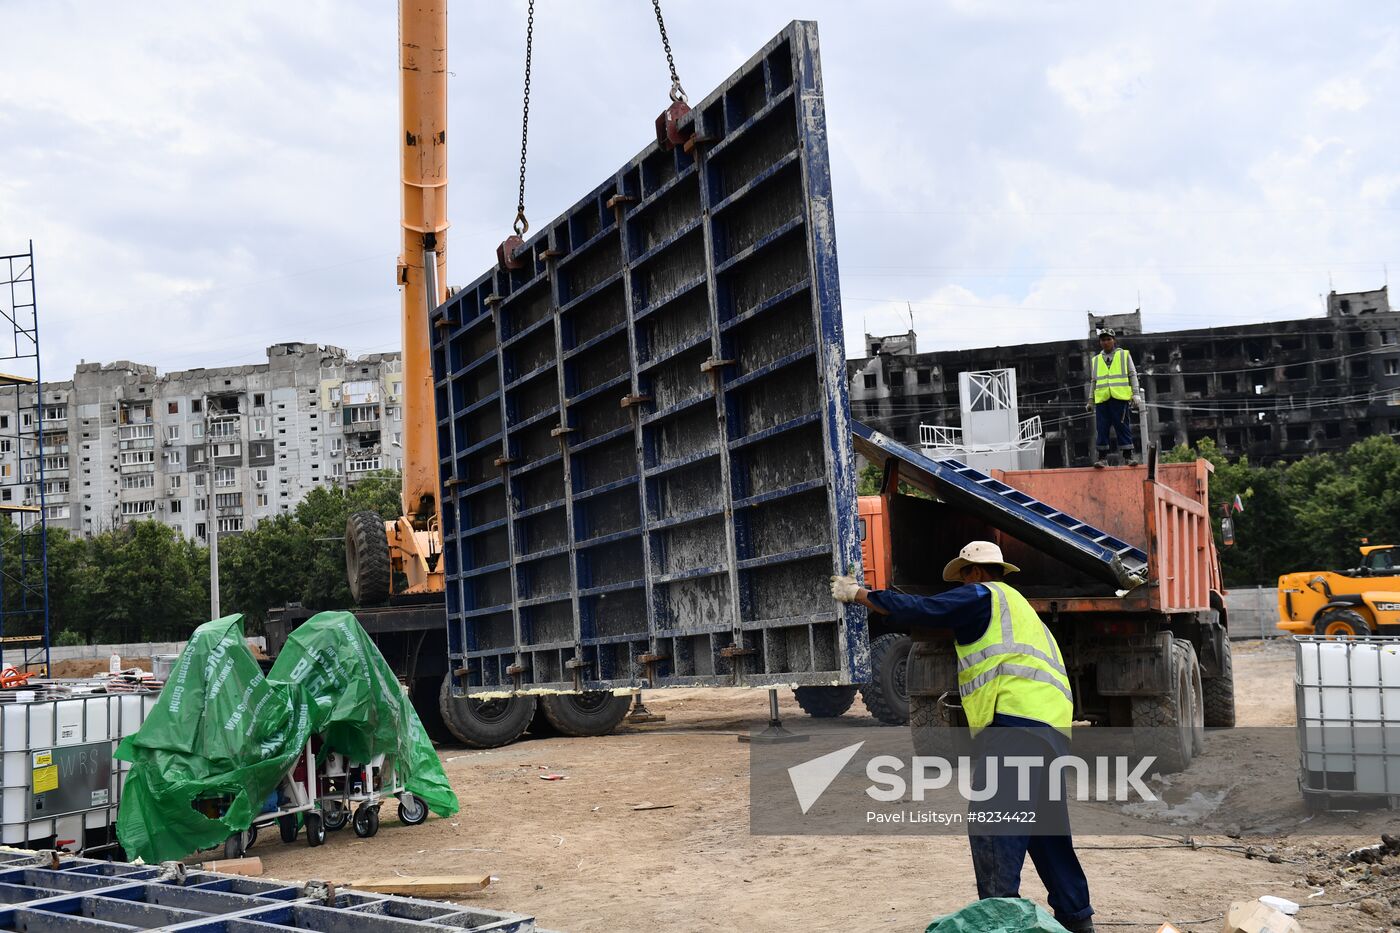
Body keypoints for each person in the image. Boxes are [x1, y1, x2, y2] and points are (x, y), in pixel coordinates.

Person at [830, 541, 1095, 933]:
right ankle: (1078, 920)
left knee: (993, 824)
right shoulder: (1020, 609)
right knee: (1046, 832)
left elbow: (923, 609)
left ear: (974, 573)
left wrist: (860, 595)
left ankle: (999, 920)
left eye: (963, 576)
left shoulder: (981, 595)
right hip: (1051, 729)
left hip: (1015, 725)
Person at [1085, 328, 1142, 468]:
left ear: (1114, 340)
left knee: (1122, 426)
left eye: (1108, 339)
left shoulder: (1124, 355)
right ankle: (1102, 458)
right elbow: (1094, 381)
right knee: (1102, 428)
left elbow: (1132, 374)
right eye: (1103, 340)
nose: (1106, 342)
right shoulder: (1096, 360)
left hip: (1120, 397)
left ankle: (1128, 457)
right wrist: (1090, 400)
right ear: (1100, 342)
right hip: (1102, 399)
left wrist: (1136, 394)